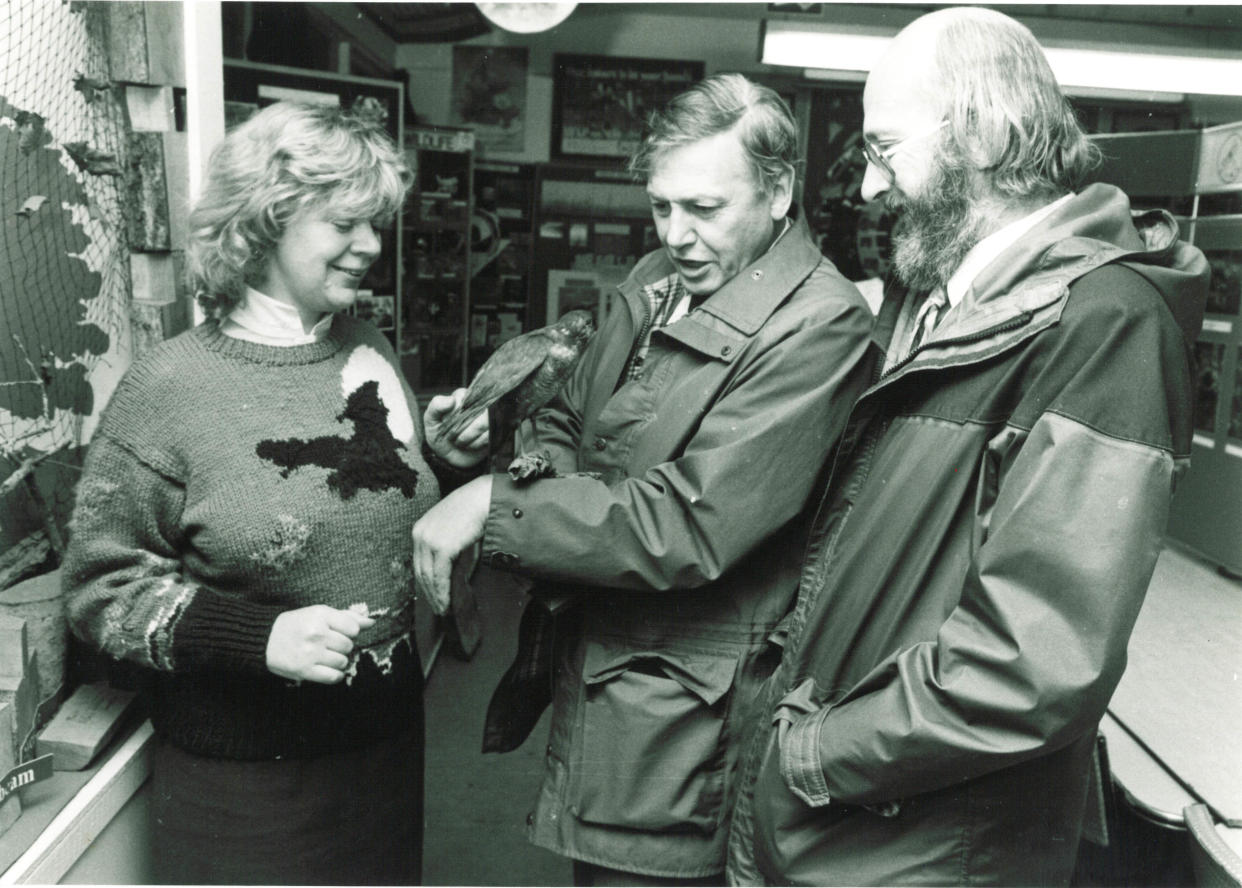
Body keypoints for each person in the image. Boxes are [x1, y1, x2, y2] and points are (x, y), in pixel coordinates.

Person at [726, 8, 1209, 886]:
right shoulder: (944, 297)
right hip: (854, 826)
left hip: (929, 844)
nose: (870, 189)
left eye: (882, 149)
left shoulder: (1102, 326)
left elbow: (1033, 662)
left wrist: (815, 754)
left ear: (980, 135)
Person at [411, 73, 872, 885]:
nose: (678, 233)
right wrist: (503, 448)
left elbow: (690, 522)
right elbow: (567, 421)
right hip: (612, 674)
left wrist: (497, 505)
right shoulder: (658, 279)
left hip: (688, 717)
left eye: (704, 208)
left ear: (778, 192)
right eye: (662, 206)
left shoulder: (819, 324)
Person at [62, 102, 483, 885]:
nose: (372, 246)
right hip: (247, 787)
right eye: (347, 223)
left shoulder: (367, 346)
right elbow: (98, 593)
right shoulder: (170, 386)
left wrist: (447, 470)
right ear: (267, 218)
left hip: (385, 749)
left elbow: (370, 512)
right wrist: (252, 638)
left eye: (376, 224)